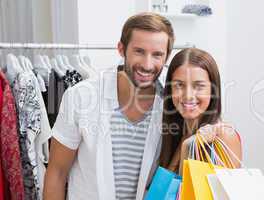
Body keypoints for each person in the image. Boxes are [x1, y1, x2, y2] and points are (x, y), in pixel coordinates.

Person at [43, 13, 174, 200]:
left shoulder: (172, 103)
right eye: (139, 51)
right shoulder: (81, 96)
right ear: (121, 49)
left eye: (157, 55)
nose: (147, 64)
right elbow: (57, 173)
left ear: (167, 56)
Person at [159, 48, 242, 175]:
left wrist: (188, 148)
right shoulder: (175, 133)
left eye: (199, 86)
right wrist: (187, 145)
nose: (188, 95)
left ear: (213, 91)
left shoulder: (223, 136)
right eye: (179, 85)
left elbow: (191, 193)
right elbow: (166, 192)